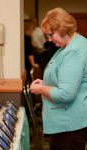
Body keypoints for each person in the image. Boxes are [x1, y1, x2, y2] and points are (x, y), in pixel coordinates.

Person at [30, 7, 87, 150]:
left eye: (50, 34)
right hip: (66, 125)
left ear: (62, 29)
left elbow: (65, 94)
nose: (49, 40)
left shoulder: (74, 50)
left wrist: (42, 89)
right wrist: (46, 83)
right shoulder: (69, 46)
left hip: (70, 126)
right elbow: (67, 79)